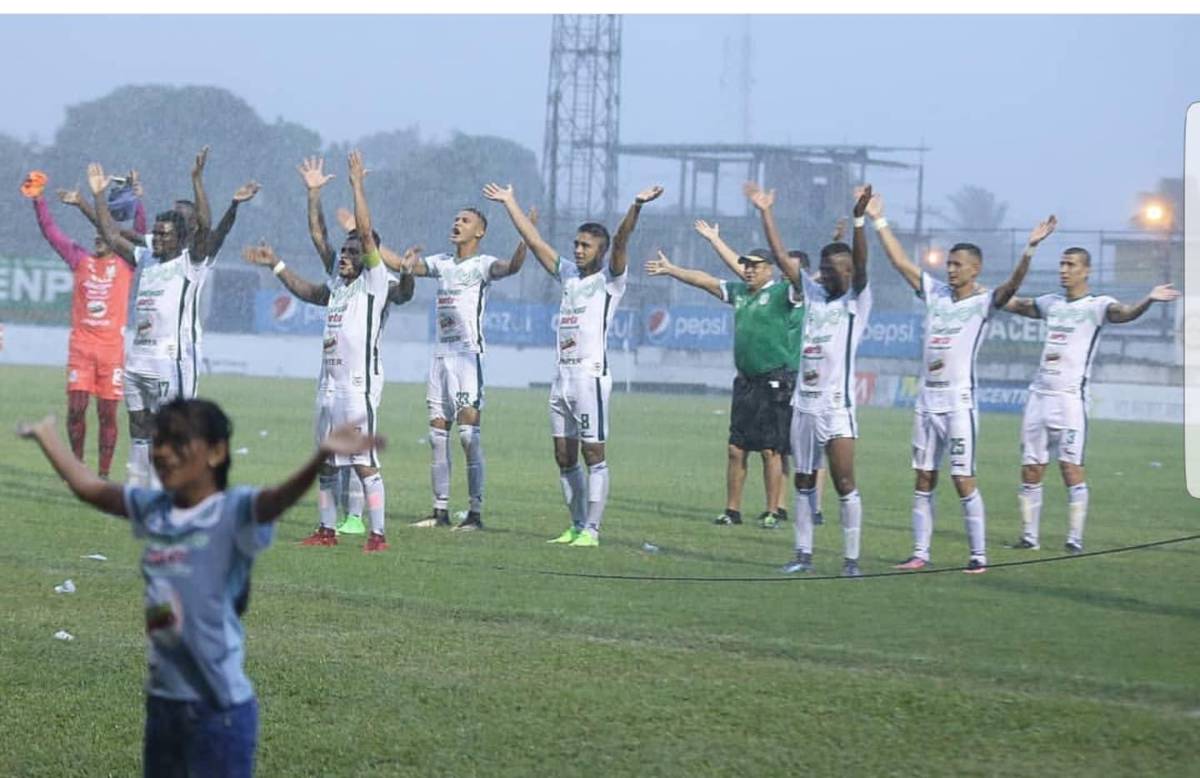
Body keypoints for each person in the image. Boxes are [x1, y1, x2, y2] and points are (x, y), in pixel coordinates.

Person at [17, 398, 378, 777]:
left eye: (177, 442)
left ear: (216, 452)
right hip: (164, 704)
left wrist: (319, 457)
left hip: (217, 711)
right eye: (158, 442)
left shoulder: (232, 510)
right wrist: (47, 437)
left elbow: (275, 500)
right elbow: (91, 488)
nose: (162, 452)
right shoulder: (155, 508)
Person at [871, 192, 1057, 572]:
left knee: (962, 478)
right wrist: (879, 220)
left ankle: (978, 555)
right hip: (926, 400)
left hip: (958, 402)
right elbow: (900, 262)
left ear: (975, 269)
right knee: (923, 477)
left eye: (957, 265)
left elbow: (1011, 287)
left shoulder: (984, 302)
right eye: (949, 263)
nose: (950, 270)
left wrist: (1029, 251)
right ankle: (920, 553)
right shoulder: (935, 293)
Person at [243, 156, 416, 540]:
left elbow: (368, 237)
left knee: (362, 462)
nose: (345, 256)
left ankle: (378, 533)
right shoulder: (338, 285)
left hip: (358, 386)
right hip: (328, 385)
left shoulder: (374, 282)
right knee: (325, 461)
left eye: (354, 252)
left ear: (368, 257)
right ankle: (325, 529)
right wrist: (314, 194)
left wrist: (357, 185)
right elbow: (318, 242)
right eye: (345, 251)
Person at [484, 181, 664, 547]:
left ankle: (593, 530)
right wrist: (510, 202)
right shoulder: (567, 274)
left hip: (589, 377)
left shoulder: (610, 280)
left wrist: (637, 205)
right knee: (563, 456)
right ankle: (576, 523)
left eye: (586, 246)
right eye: (577, 244)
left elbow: (623, 239)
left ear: (601, 250)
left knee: (593, 453)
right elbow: (534, 242)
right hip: (561, 378)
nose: (578, 250)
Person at [1003, 247, 1180, 553]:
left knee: (1070, 468)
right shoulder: (1050, 303)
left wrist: (1148, 299)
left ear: (1086, 271)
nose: (1063, 270)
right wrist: (984, 292)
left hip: (1070, 400)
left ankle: (1074, 539)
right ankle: (1029, 537)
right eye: (1061, 264)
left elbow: (1124, 314)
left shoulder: (1098, 305)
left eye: (1070, 265)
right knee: (1031, 468)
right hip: (1039, 397)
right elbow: (1012, 303)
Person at [746, 181, 873, 577]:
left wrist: (858, 220)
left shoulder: (857, 300)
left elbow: (864, 263)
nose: (833, 274)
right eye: (828, 267)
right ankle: (803, 554)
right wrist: (766, 210)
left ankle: (851, 560)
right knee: (802, 481)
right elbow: (783, 258)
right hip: (804, 404)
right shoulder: (813, 293)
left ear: (850, 272)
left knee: (844, 483)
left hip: (837, 408)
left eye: (840, 268)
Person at [646, 241, 802, 531]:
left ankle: (773, 511)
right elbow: (705, 281)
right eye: (747, 265)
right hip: (745, 382)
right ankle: (732, 510)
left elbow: (796, 277)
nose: (749, 270)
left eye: (755, 265)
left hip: (774, 380)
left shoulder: (783, 293)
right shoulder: (740, 292)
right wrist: (672, 270)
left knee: (771, 450)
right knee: (736, 448)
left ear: (769, 269)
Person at [397, 201, 529, 533]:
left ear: (479, 231)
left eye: (465, 220)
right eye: (455, 218)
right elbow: (402, 264)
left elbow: (511, 267)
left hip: (468, 358)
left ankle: (475, 513)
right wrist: (370, 239)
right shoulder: (440, 263)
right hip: (440, 357)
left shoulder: (483, 265)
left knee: (469, 437)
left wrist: (525, 238)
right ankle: (439, 512)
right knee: (437, 437)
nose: (457, 223)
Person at [694, 218, 831, 527]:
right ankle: (760, 509)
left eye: (789, 267)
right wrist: (715, 241)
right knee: (758, 448)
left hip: (790, 378)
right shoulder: (762, 292)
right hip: (756, 381)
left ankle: (807, 509)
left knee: (798, 451)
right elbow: (735, 272)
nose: (785, 270)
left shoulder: (796, 295)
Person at [23, 170, 138, 479]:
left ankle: (102, 474)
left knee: (108, 414)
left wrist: (138, 199)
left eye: (104, 233)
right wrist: (38, 199)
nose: (98, 237)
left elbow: (141, 229)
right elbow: (50, 231)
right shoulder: (79, 259)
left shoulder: (127, 263)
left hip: (112, 352)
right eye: (96, 234)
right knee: (76, 409)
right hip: (82, 349)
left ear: (113, 237)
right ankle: (77, 465)